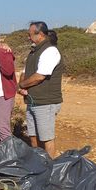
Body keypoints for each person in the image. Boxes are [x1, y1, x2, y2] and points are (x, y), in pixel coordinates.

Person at [18, 21, 64, 157]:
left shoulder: (50, 51)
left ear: (41, 34)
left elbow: (39, 76)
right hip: (33, 101)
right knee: (33, 135)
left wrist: (21, 85)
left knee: (46, 138)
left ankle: (50, 167)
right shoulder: (33, 52)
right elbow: (24, 73)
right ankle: (38, 163)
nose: (28, 37)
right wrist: (22, 87)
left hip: (46, 102)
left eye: (30, 34)